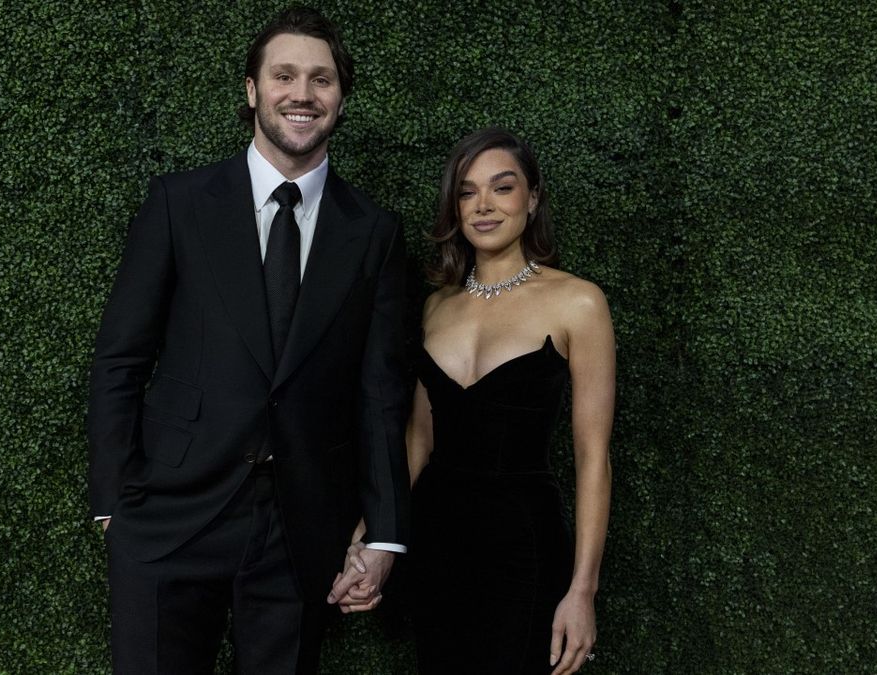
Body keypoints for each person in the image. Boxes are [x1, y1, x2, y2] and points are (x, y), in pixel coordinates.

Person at [85, 7, 411, 673]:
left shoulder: (373, 233)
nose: (302, 93)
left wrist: (383, 534)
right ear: (252, 90)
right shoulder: (179, 203)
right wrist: (114, 504)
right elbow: (122, 356)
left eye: (321, 80)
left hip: (300, 529)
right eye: (284, 75)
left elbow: (381, 396)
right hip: (171, 513)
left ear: (341, 98)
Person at [407, 128, 615, 675]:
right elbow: (419, 439)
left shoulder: (578, 302)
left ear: (533, 197)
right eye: (467, 191)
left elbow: (594, 458)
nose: (483, 205)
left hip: (524, 544)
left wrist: (582, 592)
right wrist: (376, 534)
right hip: (435, 542)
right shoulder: (435, 307)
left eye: (503, 187)